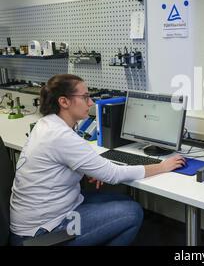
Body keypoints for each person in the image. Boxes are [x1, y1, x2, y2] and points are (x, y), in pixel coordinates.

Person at [9, 74, 186, 246]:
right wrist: (162, 166)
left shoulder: (46, 124)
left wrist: (87, 169)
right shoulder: (60, 135)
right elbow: (113, 175)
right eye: (85, 97)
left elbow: (59, 165)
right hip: (43, 231)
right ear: (64, 102)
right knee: (132, 212)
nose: (91, 103)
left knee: (125, 201)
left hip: (44, 214)